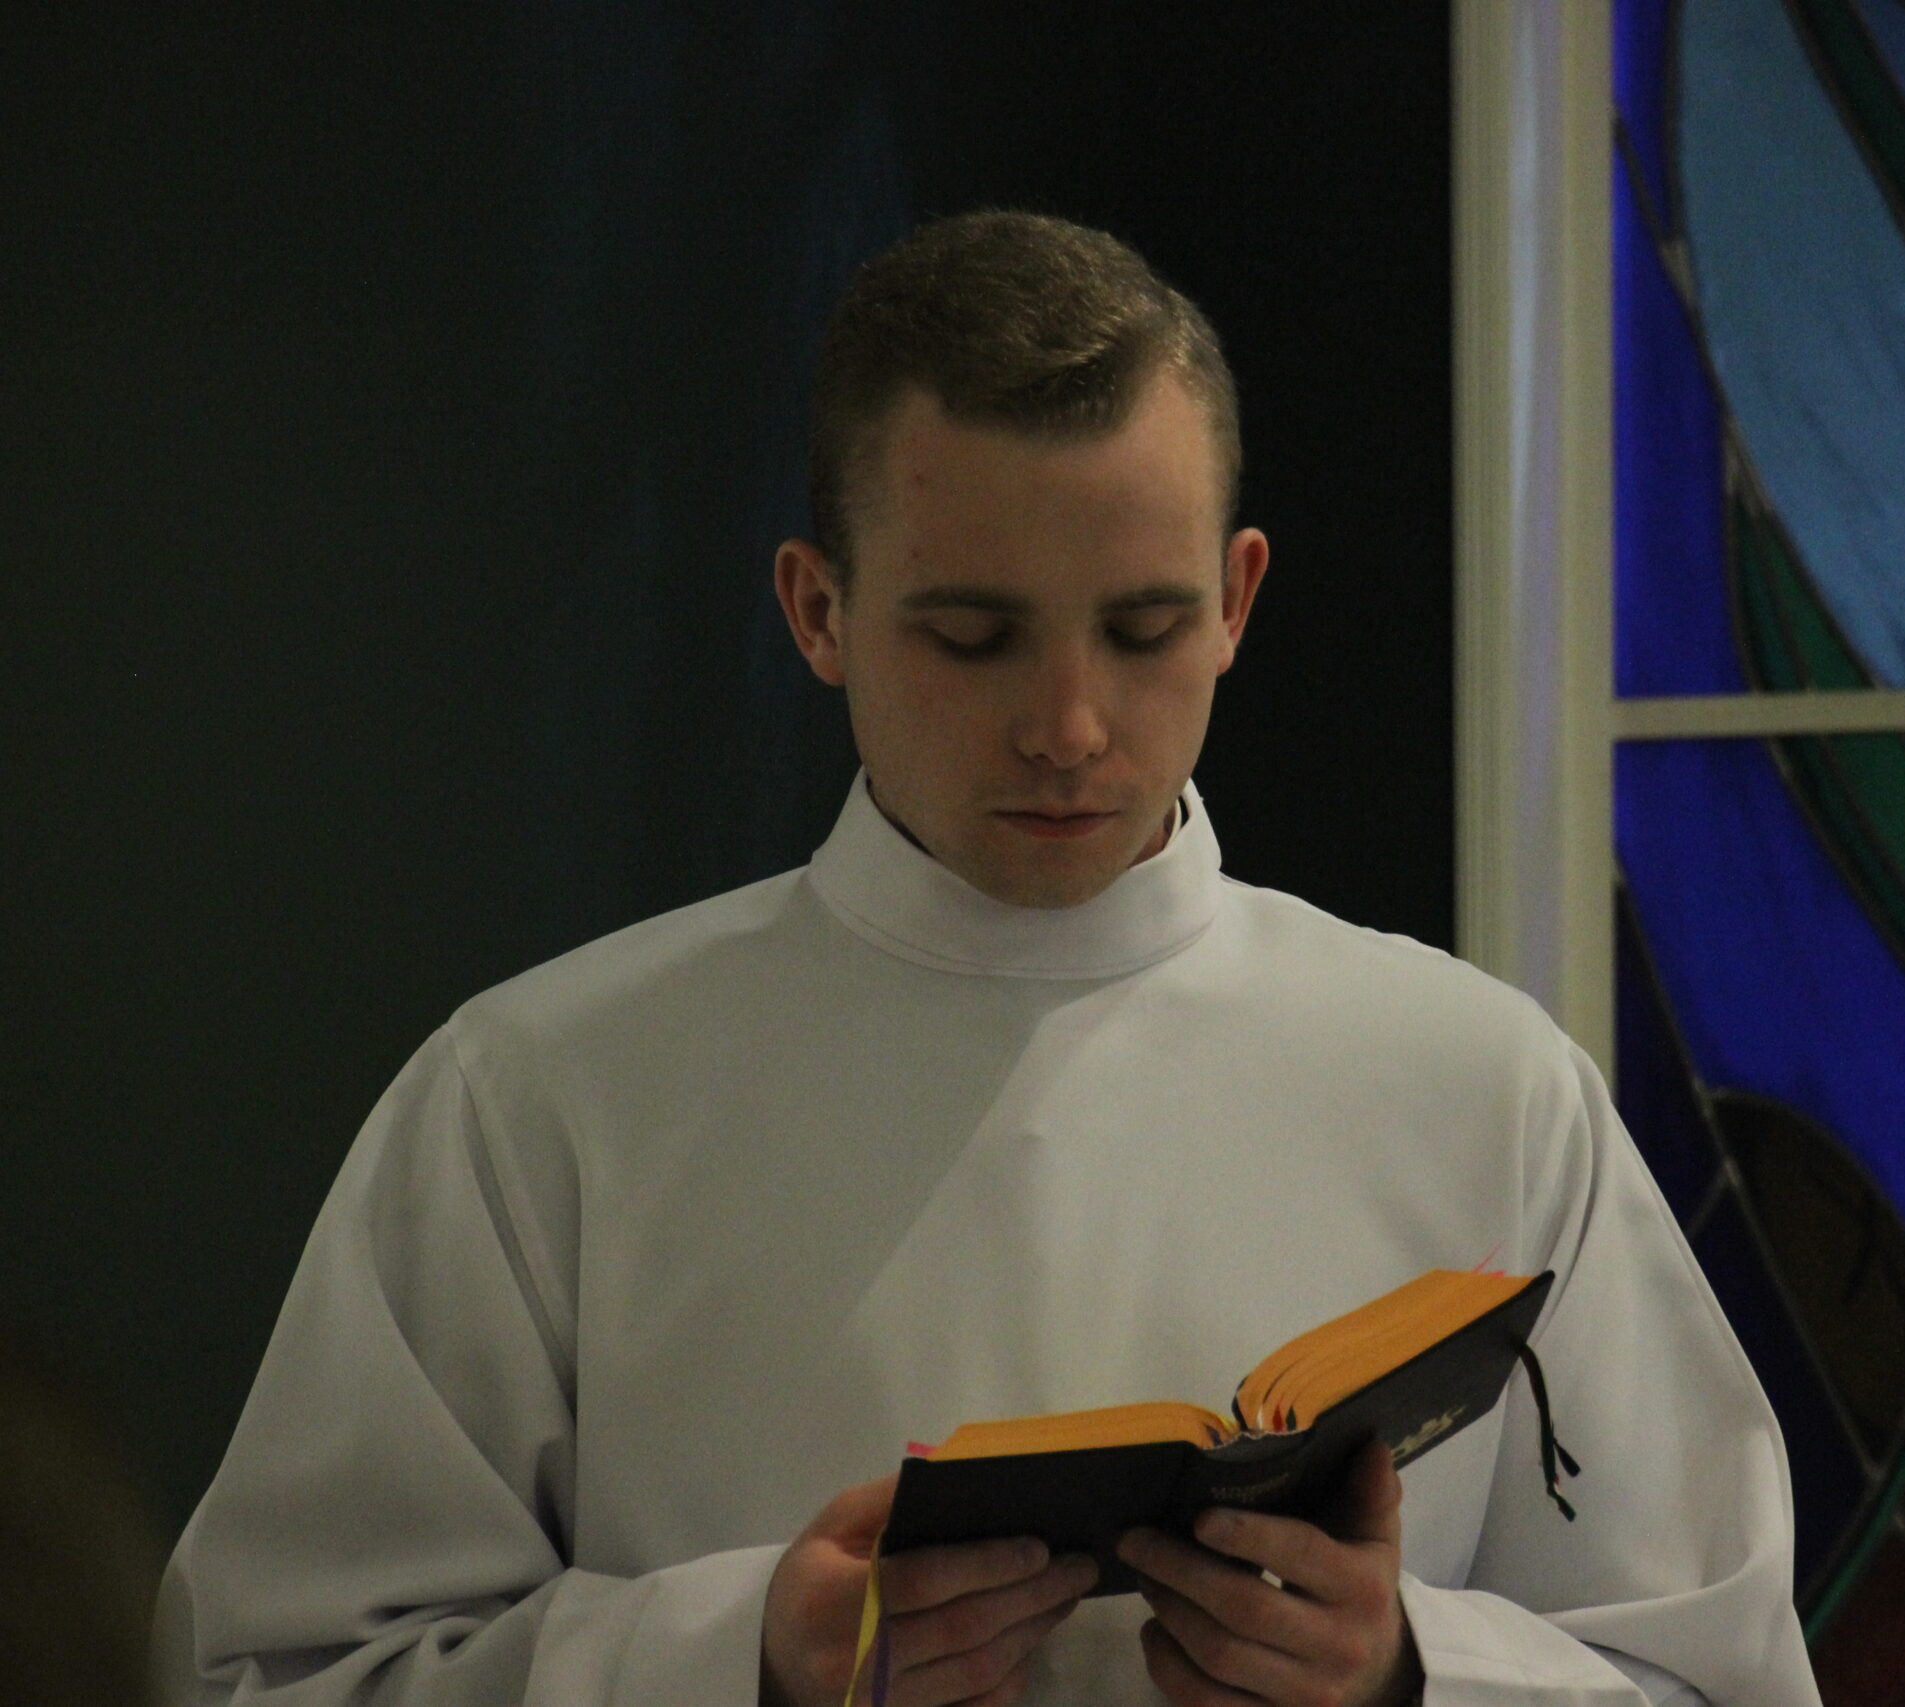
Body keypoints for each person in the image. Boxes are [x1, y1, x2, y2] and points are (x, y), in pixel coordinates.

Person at [157, 211, 1820, 1707]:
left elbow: (1719, 1678)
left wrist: (1403, 1673)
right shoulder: (540, 1101)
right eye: (974, 635)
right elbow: (267, 1677)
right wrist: (736, 1663)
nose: (1069, 726)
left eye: (1143, 629)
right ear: (817, 611)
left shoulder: (1487, 1087)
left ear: (1237, 600)